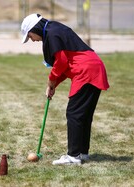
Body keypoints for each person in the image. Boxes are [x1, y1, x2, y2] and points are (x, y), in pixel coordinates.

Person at [21, 14, 109, 165]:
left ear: (34, 29)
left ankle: (73, 156)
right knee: (83, 115)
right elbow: (66, 65)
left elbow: (61, 62)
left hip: (86, 71)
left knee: (74, 113)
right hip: (94, 67)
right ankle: (82, 153)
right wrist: (53, 84)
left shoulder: (51, 34)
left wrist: (50, 80)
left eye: (30, 36)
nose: (33, 40)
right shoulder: (54, 29)